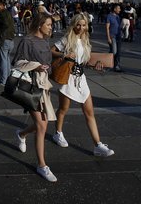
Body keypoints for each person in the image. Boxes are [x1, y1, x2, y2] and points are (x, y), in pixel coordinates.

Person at [49, 13, 114, 157]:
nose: (81, 27)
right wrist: (64, 55)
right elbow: (51, 50)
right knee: (63, 109)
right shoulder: (67, 39)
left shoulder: (85, 41)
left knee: (89, 112)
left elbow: (84, 61)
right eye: (78, 24)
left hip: (81, 79)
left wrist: (96, 65)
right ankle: (58, 133)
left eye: (84, 25)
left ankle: (97, 145)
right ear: (74, 25)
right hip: (68, 78)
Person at [12, 12, 58, 182]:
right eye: (49, 24)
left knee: (43, 124)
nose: (51, 27)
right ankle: (42, 165)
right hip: (29, 86)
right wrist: (36, 67)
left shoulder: (46, 42)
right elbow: (16, 62)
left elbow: (49, 66)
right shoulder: (27, 41)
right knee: (41, 126)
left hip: (43, 86)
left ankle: (22, 134)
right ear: (40, 25)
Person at [0, 0, 15, 86]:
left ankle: (3, 81)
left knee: (2, 61)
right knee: (7, 60)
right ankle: (8, 79)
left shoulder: (2, 14)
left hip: (4, 40)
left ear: (2, 5)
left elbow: (5, 25)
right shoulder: (8, 13)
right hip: (10, 39)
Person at [105, 4, 123, 72]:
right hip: (112, 36)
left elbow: (119, 26)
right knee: (114, 51)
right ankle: (108, 62)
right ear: (114, 9)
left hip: (118, 36)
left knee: (118, 52)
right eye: (118, 8)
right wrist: (108, 38)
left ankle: (117, 66)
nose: (120, 10)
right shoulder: (109, 16)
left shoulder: (118, 17)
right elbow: (107, 28)